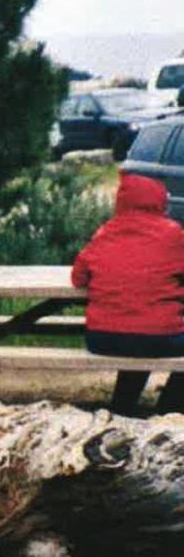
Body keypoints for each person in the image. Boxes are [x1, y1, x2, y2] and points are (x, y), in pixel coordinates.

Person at [72, 172, 184, 415]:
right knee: (147, 333)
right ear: (158, 200)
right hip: (157, 338)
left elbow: (78, 278)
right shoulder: (173, 234)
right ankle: (169, 409)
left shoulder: (104, 233)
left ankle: (122, 407)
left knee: (136, 332)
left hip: (103, 338)